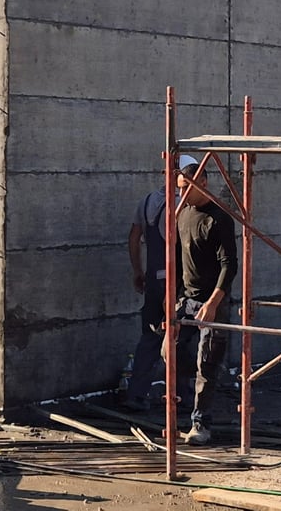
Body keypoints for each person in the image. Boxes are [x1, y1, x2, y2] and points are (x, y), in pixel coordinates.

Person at [169, 160, 238, 446]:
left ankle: (200, 423)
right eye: (178, 189)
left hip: (213, 302)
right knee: (168, 351)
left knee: (206, 364)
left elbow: (229, 265)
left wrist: (213, 302)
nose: (181, 194)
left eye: (185, 188)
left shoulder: (219, 219)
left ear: (203, 184)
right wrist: (171, 297)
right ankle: (199, 381)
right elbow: (176, 258)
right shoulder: (182, 214)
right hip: (186, 299)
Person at [123, 155, 198, 412]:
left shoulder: (147, 201)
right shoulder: (182, 205)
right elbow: (180, 245)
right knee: (180, 336)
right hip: (175, 280)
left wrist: (138, 270)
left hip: (154, 279)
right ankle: (182, 396)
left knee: (151, 336)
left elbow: (134, 237)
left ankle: (136, 394)